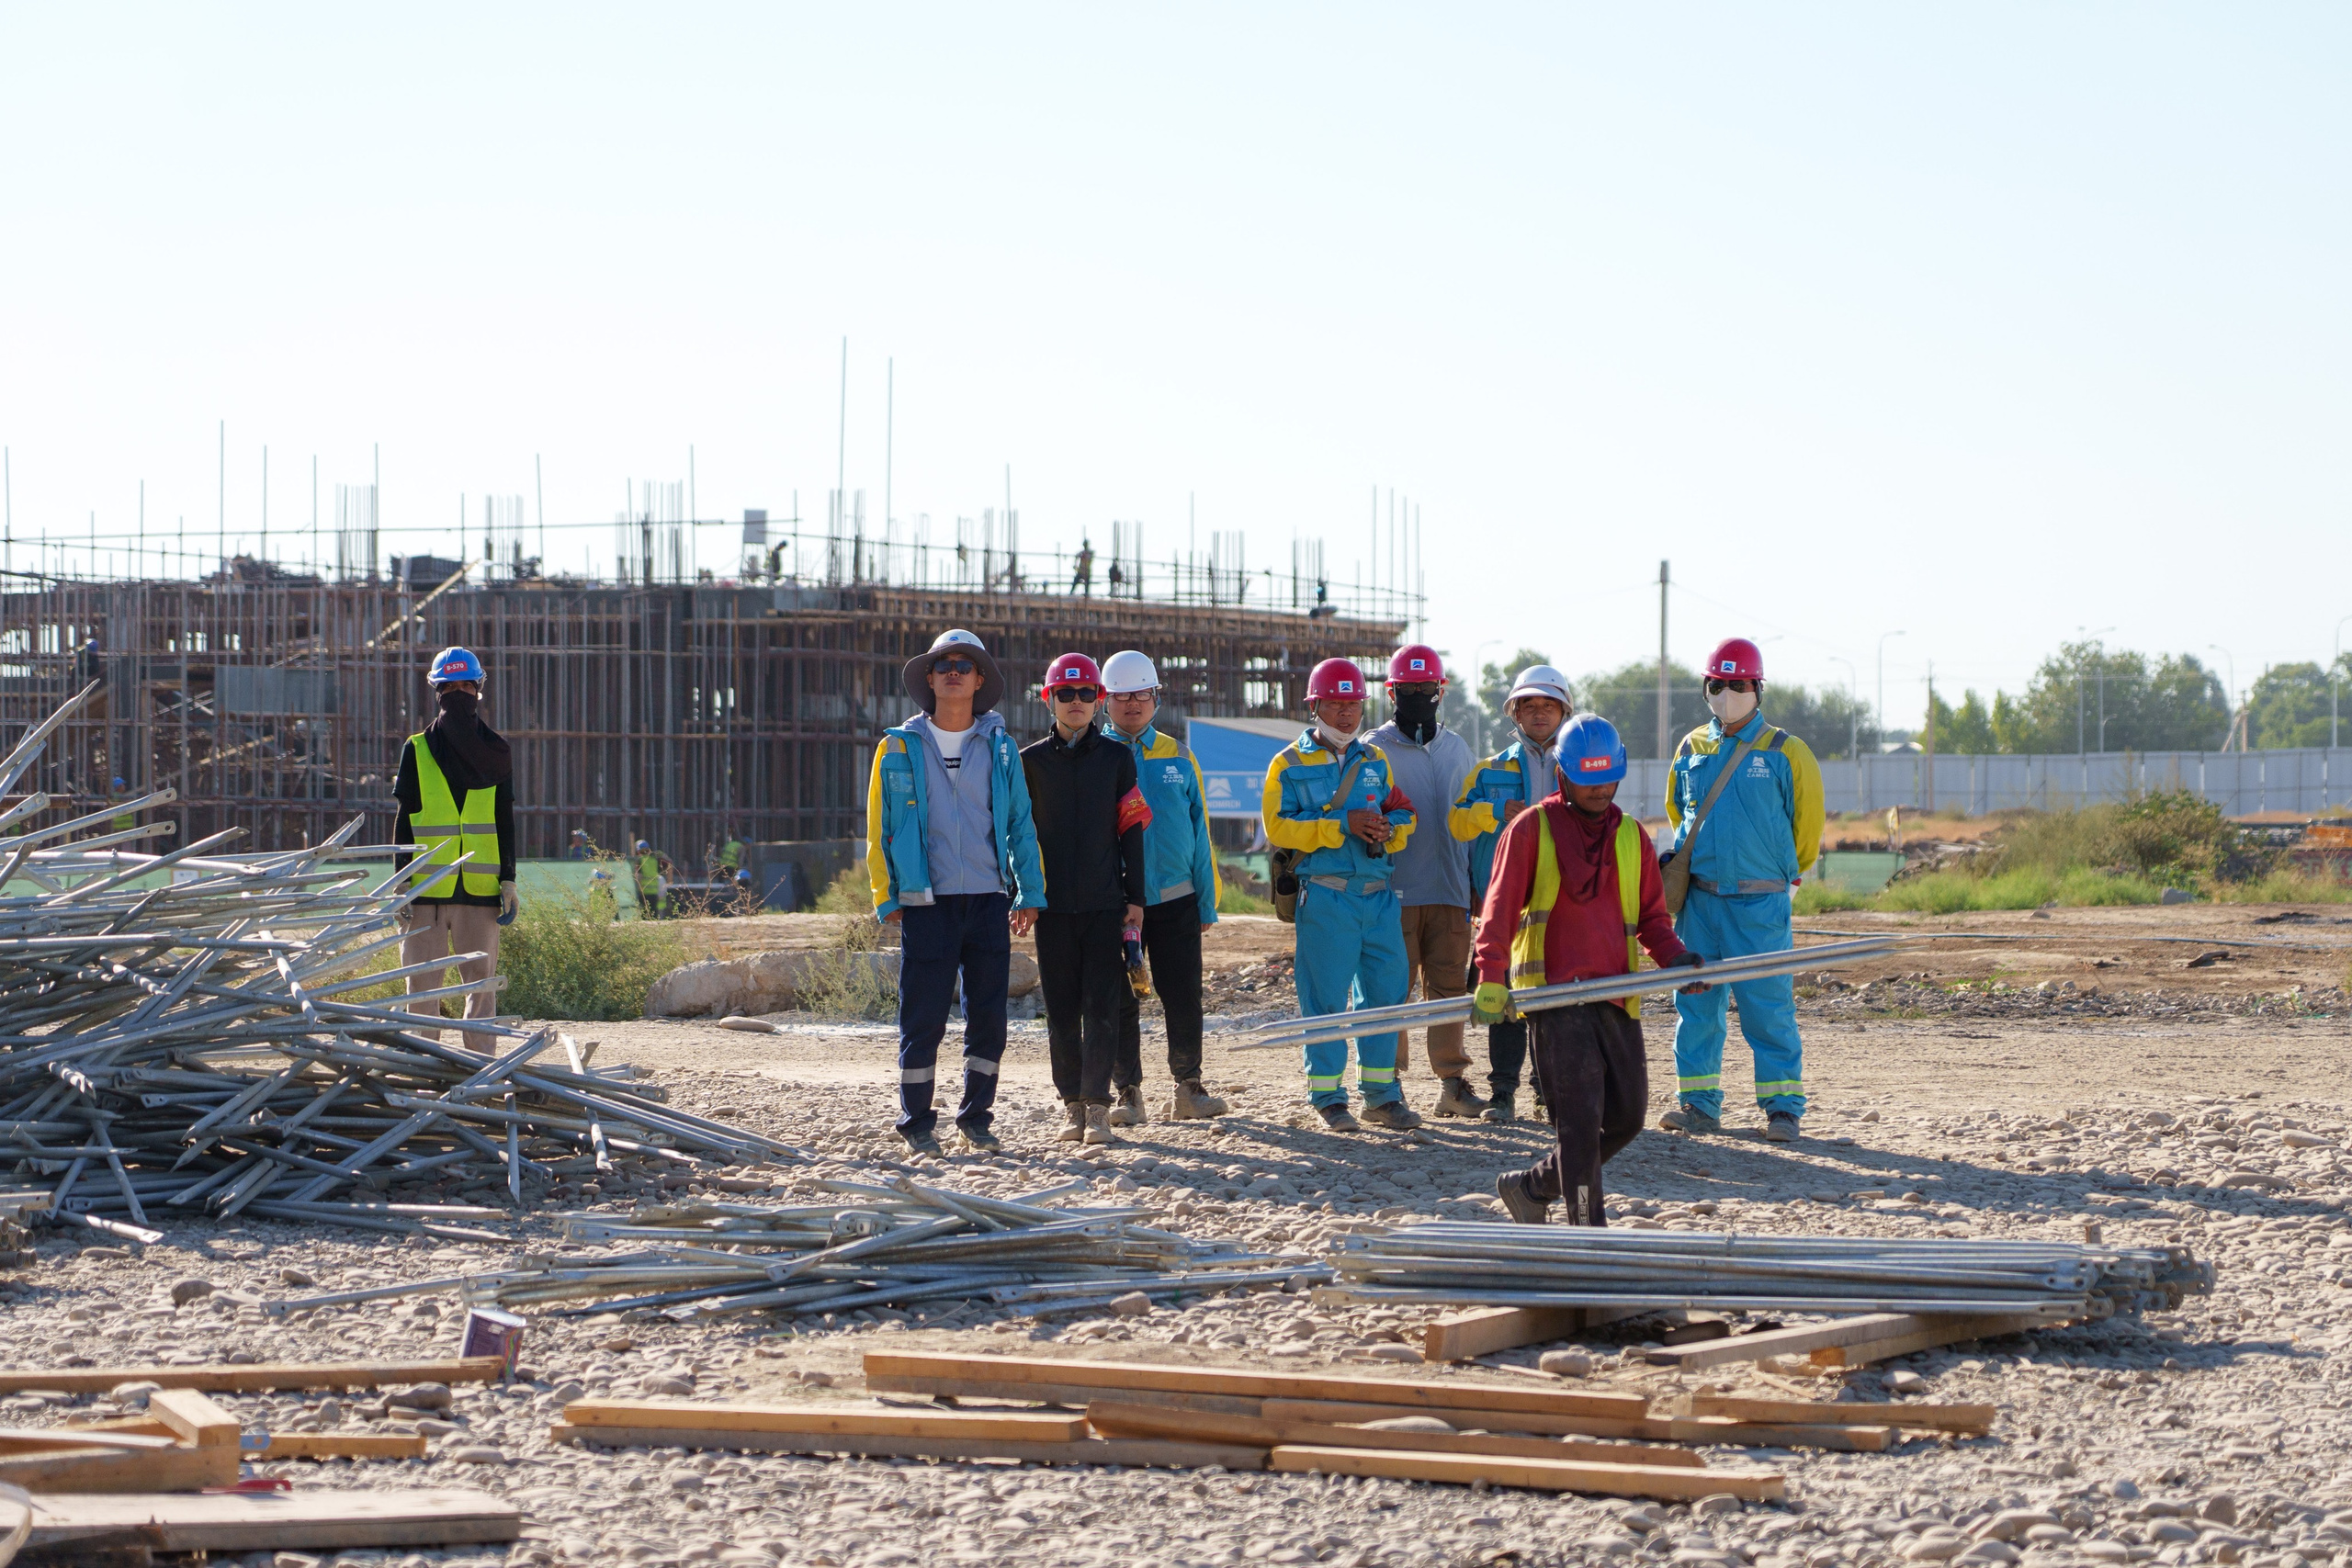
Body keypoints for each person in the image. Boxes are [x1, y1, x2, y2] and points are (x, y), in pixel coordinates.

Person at [1473, 715, 1703, 1226]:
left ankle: (1533, 1187)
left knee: (1627, 1118)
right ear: (1563, 775)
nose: (1600, 790)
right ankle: (1588, 1234)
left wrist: (1678, 959)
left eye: (1608, 778)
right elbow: (1499, 909)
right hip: (1555, 1002)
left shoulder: (1631, 838)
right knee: (1578, 1128)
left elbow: (1652, 920)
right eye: (1588, 779)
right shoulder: (1530, 829)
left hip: (1617, 996)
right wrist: (1491, 974)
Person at [866, 628, 1046, 1156]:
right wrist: (886, 894)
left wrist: (1028, 891)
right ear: (929, 677)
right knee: (921, 1016)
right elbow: (878, 827)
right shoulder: (896, 747)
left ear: (979, 680)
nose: (953, 671)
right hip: (926, 903)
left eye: (964, 665)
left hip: (988, 899)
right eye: (943, 663)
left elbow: (1019, 823)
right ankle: (917, 1122)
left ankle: (977, 1118)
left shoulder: (1001, 747)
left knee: (988, 1015)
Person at [1659, 637, 1826, 1144]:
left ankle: (1782, 1110)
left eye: (1738, 684)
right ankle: (1699, 1105)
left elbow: (1808, 827)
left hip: (1760, 902)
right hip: (1701, 903)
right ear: (1706, 688)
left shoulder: (1786, 752)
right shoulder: (1691, 747)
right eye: (1718, 684)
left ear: (1757, 688)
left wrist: (1784, 879)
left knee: (1768, 1006)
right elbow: (1677, 812)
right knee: (1696, 1007)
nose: (1728, 692)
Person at [1262, 658, 1420, 1133]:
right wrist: (1340, 826)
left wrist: (1389, 829)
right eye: (1335, 704)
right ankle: (1329, 1097)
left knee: (1387, 997)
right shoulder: (1287, 764)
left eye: (1353, 704)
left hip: (1378, 896)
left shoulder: (1374, 760)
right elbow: (1277, 827)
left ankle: (1382, 1095)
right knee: (1326, 1000)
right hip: (1327, 897)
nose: (1347, 714)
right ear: (1315, 706)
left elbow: (1405, 813)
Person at [1021, 653, 1150, 1146]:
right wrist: (1022, 895)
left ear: (1100, 699)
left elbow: (1132, 830)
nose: (1076, 703)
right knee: (1060, 1009)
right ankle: (1071, 1104)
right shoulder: (1029, 762)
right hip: (1050, 907)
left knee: (1103, 1005)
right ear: (1048, 699)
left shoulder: (1118, 758)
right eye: (1065, 694)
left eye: (1086, 694)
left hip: (1104, 905)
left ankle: (1098, 1107)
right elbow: (1018, 835)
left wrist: (1135, 898)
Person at [1100, 649, 1227, 1123]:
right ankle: (1128, 1094)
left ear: (1155, 698)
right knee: (1119, 997)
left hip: (1176, 898)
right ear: (1105, 702)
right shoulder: (1097, 755)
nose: (1132, 704)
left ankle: (1188, 1087)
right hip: (1115, 903)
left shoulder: (1178, 755)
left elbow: (1200, 832)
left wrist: (1206, 901)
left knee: (1183, 994)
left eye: (1140, 695)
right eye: (1121, 697)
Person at [1449, 663, 1574, 1122]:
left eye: (1548, 705)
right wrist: (1495, 810)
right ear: (1514, 713)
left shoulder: (1579, 764)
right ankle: (1502, 1094)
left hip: (1562, 906)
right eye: (1529, 705)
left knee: (1550, 1004)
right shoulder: (1489, 771)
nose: (1539, 713)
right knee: (1500, 999)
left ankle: (1548, 1092)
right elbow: (1457, 822)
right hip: (1506, 905)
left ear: (1563, 710)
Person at [1363, 646, 1484, 1119]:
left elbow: (1474, 821)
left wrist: (1478, 885)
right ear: (1392, 692)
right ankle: (1386, 1084)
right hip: (1392, 893)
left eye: (1426, 688)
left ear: (1441, 691)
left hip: (1452, 892)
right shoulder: (1373, 749)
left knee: (1450, 990)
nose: (1418, 695)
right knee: (1390, 989)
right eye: (1408, 689)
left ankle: (1451, 1084)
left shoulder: (1459, 749)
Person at [391, 646, 517, 1055]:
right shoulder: (417, 749)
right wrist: (400, 883)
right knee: (421, 990)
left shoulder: (498, 751)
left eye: (466, 685)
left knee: (481, 990)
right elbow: (405, 817)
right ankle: (421, 1074)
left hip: (479, 892)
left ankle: (480, 1073)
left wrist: (509, 880)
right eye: (451, 687)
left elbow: (503, 818)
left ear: (477, 690)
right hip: (425, 890)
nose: (459, 693)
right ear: (438, 692)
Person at [633, 840, 665, 919]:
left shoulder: (640, 860)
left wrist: (638, 889)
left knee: (644, 915)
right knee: (653, 914)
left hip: (644, 893)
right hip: (654, 892)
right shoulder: (654, 859)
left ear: (638, 851)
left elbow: (639, 876)